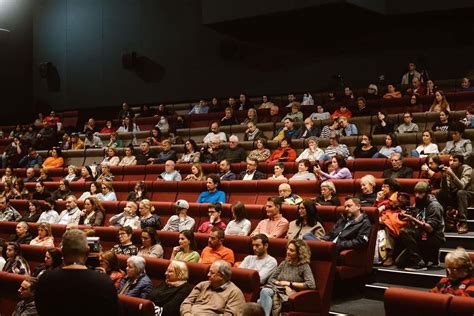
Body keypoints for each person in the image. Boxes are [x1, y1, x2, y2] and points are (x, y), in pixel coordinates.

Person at [36, 229, 119, 315]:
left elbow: (41, 309)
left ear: (63, 252)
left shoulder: (46, 278)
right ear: (87, 252)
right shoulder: (104, 281)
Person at [258, 239, 316, 316]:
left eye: (291, 250)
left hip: (292, 293)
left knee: (261, 298)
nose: (288, 252)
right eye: (288, 249)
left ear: (299, 253)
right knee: (264, 292)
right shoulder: (284, 263)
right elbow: (271, 279)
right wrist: (281, 284)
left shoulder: (304, 266)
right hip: (278, 289)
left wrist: (290, 284)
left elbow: (311, 285)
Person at [396, 182, 445, 271]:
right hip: (422, 235)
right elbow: (415, 223)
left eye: (420, 193)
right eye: (416, 193)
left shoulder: (434, 206)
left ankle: (420, 262)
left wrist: (413, 219)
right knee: (400, 262)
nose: (417, 195)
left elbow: (430, 229)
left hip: (433, 237)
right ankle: (428, 257)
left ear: (427, 193)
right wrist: (407, 217)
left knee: (404, 231)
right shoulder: (418, 202)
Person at [180, 260, 245, 316]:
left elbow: (230, 315)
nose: (208, 275)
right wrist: (187, 314)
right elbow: (186, 302)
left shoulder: (235, 293)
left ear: (221, 276)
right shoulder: (202, 285)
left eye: (212, 273)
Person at [438, 154, 473, 234]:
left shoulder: (467, 169)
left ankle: (463, 223)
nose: (451, 163)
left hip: (469, 196)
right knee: (441, 193)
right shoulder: (450, 170)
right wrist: (443, 177)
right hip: (455, 196)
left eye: (454, 160)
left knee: (461, 192)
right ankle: (442, 222)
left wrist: (452, 174)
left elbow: (462, 186)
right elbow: (445, 189)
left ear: (460, 162)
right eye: (450, 160)